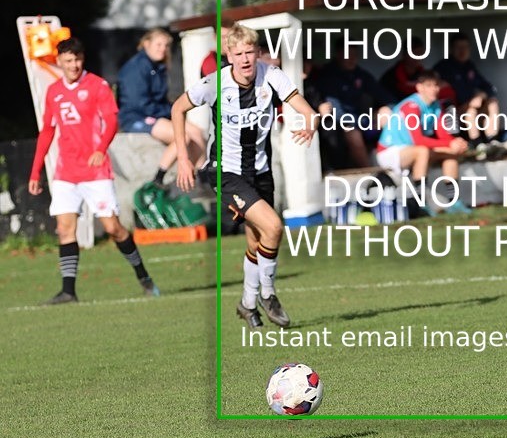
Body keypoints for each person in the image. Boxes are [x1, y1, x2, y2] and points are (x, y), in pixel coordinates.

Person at [171, 24, 319, 329]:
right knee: (275, 227)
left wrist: (310, 123)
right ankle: (268, 294)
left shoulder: (272, 76)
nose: (245, 59)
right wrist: (183, 158)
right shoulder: (215, 83)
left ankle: (247, 304)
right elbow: (177, 108)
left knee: (258, 241)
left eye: (250, 52)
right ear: (228, 55)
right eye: (238, 53)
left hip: (261, 170)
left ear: (258, 53)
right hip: (226, 172)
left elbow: (306, 109)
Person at [28, 38, 159, 304]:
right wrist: (35, 171)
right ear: (60, 62)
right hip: (66, 172)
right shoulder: (53, 92)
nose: (73, 65)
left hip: (96, 171)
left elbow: (111, 121)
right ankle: (68, 291)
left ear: (82, 58)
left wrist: (101, 148)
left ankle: (143, 276)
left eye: (77, 59)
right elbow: (47, 131)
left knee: (113, 228)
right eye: (68, 61)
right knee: (65, 229)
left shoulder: (97, 86)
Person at [118, 28, 206, 187]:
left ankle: (201, 178)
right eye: (158, 44)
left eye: (166, 45)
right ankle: (158, 179)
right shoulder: (136, 67)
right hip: (137, 117)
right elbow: (139, 104)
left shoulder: (158, 66)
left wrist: (172, 110)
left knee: (197, 133)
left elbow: (160, 99)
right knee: (183, 137)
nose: (163, 49)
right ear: (146, 44)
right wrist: (170, 112)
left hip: (156, 112)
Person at [376, 70, 470, 214]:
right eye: (429, 85)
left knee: (451, 152)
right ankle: (421, 204)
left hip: (411, 150)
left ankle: (454, 202)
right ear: (419, 87)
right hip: (389, 152)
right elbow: (418, 139)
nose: (434, 89)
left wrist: (456, 143)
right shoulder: (411, 106)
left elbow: (443, 135)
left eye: (436, 85)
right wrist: (449, 144)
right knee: (423, 150)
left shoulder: (436, 106)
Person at [314, 43, 394, 168]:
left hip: (360, 119)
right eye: (348, 55)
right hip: (339, 124)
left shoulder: (359, 74)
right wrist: (361, 123)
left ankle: (392, 165)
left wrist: (394, 108)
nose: (352, 59)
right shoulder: (329, 75)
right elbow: (337, 112)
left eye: (355, 55)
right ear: (338, 55)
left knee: (386, 112)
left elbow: (384, 96)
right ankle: (370, 173)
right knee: (352, 131)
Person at [433, 34, 507, 159]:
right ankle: (478, 146)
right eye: (459, 47)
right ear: (451, 49)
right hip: (452, 115)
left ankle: (493, 142)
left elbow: (489, 87)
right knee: (471, 110)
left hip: (471, 110)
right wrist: (470, 102)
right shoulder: (443, 67)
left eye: (465, 47)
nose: (462, 51)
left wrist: (482, 95)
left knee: (492, 102)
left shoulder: (469, 66)